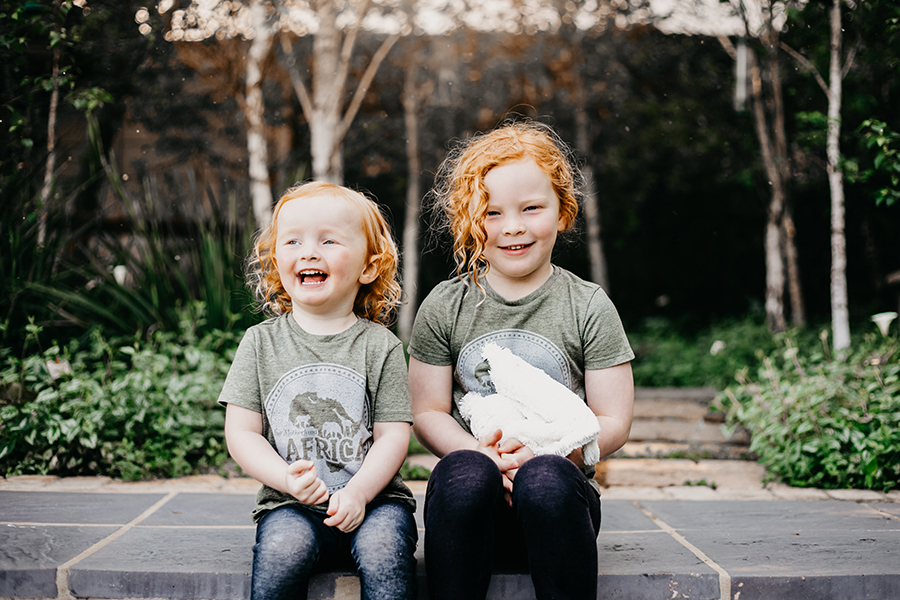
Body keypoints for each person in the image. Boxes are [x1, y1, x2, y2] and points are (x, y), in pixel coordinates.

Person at [408, 121, 635, 600]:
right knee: (463, 474)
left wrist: (549, 454)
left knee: (546, 479)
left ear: (563, 210)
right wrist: (484, 456)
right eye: (491, 213)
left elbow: (613, 419)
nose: (512, 226)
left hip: (559, 507)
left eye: (531, 208)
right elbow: (427, 411)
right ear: (468, 219)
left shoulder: (587, 305)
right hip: (470, 511)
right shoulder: (446, 305)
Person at [220, 181, 417, 600]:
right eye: (293, 241)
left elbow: (394, 435)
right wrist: (284, 478)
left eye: (328, 240)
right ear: (277, 262)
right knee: (280, 550)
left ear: (368, 266)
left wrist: (360, 493)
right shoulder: (260, 343)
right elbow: (241, 433)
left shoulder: (380, 346)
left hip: (377, 503)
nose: (309, 252)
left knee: (385, 551)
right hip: (290, 504)